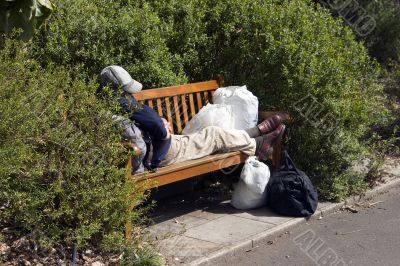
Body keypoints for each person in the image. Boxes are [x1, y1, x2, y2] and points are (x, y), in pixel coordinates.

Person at [99, 66, 287, 174]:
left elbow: (147, 122)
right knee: (214, 135)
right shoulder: (124, 102)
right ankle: (258, 144)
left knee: (217, 138)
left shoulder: (104, 104)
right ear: (119, 89)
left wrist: (160, 122)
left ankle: (258, 135)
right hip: (164, 153)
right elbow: (157, 127)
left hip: (155, 147)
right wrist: (162, 129)